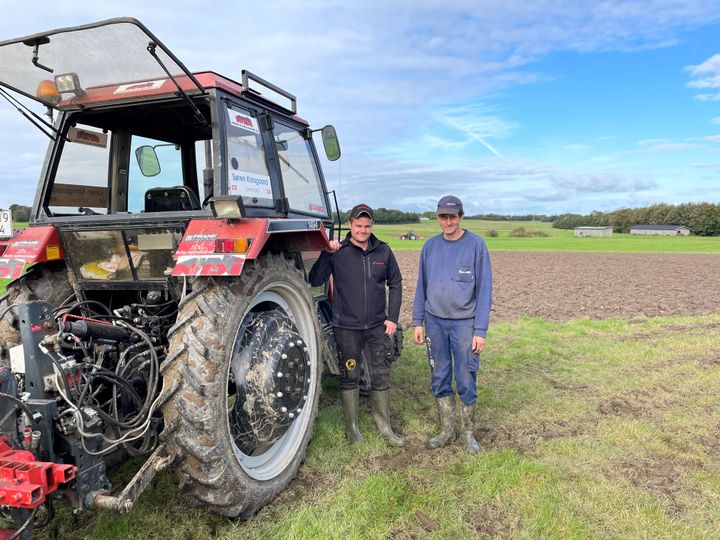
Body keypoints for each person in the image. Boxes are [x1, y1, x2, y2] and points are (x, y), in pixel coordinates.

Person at [309, 203, 405, 447]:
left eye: (367, 226)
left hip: (378, 326)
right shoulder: (338, 251)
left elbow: (395, 283)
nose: (363, 230)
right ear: (350, 225)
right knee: (350, 375)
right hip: (347, 327)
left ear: (372, 226)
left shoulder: (383, 251)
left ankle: (384, 426)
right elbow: (315, 279)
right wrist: (326, 253)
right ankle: (353, 429)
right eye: (358, 225)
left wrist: (392, 318)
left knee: (381, 374)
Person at [412, 195, 492, 454]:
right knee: (439, 375)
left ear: (461, 216)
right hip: (434, 322)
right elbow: (421, 287)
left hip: (464, 324)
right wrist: (417, 322)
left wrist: (480, 330)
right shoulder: (429, 247)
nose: (448, 221)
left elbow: (484, 291)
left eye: (452, 216)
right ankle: (447, 430)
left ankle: (468, 434)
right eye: (443, 217)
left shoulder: (477, 246)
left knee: (465, 377)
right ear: (437, 217)